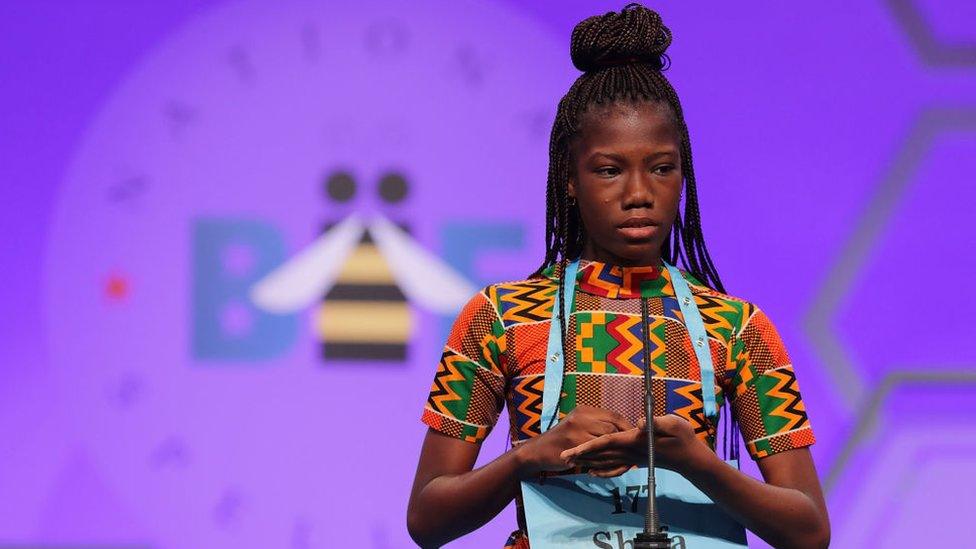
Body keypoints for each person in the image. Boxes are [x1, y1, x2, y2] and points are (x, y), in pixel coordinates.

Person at [407, 4, 830, 548]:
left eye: (661, 168)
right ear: (569, 179)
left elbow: (811, 530)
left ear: (683, 174)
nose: (638, 194)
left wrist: (700, 464)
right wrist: (526, 456)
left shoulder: (736, 328)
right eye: (609, 170)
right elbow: (426, 518)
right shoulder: (499, 318)